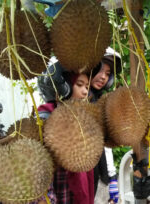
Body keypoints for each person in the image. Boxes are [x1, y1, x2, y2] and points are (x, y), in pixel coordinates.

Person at [34, 61, 93, 204]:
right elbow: (38, 175)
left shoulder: (79, 121)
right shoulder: (44, 121)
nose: (85, 92)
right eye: (79, 85)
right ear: (62, 87)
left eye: (87, 87)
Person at [90, 47, 121, 204]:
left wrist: (112, 177)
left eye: (108, 74)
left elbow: (104, 144)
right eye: (100, 70)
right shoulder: (74, 101)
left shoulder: (100, 102)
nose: (103, 77)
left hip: (99, 175)